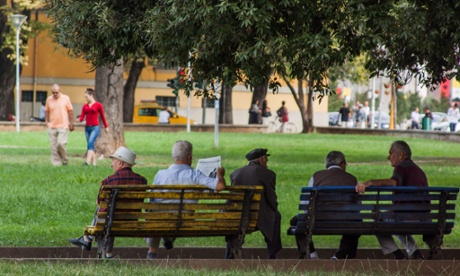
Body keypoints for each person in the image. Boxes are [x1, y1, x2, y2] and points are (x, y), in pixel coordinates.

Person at [356, 140, 440, 260]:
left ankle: (398, 255)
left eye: (391, 153)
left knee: (376, 219)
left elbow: (393, 182)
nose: (388, 157)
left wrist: (370, 182)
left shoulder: (402, 166)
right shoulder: (419, 170)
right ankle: (415, 254)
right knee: (395, 218)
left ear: (400, 155)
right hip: (424, 218)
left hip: (406, 217)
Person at [145, 140, 226, 259]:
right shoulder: (195, 175)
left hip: (161, 220)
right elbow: (220, 186)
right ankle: (167, 237)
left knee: (155, 215)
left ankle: (152, 253)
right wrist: (220, 175)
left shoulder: (160, 174)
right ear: (189, 157)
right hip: (185, 220)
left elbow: (152, 199)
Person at [69, 146, 147, 258]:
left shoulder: (110, 181)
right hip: (132, 221)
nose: (111, 164)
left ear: (120, 163)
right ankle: (101, 250)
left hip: (110, 222)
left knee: (106, 214)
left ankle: (89, 241)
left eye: (113, 161)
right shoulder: (142, 181)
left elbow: (100, 203)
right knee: (109, 213)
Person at [303, 151, 360, 260]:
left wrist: (308, 217)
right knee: (357, 224)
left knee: (297, 223)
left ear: (326, 164)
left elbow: (306, 203)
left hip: (319, 219)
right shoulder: (352, 179)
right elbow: (357, 207)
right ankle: (341, 256)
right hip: (346, 220)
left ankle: (312, 254)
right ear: (342, 164)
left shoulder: (316, 176)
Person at [226, 148, 281, 259]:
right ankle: (272, 254)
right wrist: (274, 208)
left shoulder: (235, 173)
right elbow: (271, 200)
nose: (267, 163)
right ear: (262, 159)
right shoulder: (267, 174)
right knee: (276, 216)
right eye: (266, 160)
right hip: (257, 218)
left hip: (236, 217)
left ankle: (229, 254)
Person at [45, 84, 74, 166]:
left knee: (61, 143)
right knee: (53, 146)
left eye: (56, 93)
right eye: (53, 93)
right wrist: (47, 121)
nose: (54, 94)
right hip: (52, 126)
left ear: (60, 91)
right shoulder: (49, 99)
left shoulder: (65, 98)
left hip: (63, 125)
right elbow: (47, 111)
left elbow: (70, 112)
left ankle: (65, 159)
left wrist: (71, 123)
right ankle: (56, 163)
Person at [79, 88, 109, 166]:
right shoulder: (85, 106)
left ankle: (87, 162)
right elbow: (82, 116)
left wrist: (106, 126)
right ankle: (94, 163)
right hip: (87, 128)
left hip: (95, 127)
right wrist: (79, 119)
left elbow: (102, 116)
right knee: (90, 145)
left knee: (90, 143)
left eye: (86, 97)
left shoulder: (98, 105)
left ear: (91, 95)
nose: (86, 99)